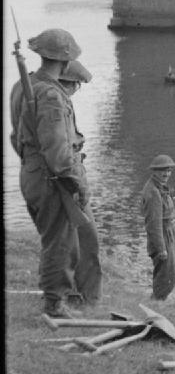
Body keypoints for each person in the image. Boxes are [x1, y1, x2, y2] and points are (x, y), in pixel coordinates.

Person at [9, 28, 90, 318]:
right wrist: (78, 182)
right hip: (52, 179)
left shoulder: (23, 86)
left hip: (31, 173)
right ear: (65, 61)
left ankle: (54, 297)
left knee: (52, 238)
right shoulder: (52, 96)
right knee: (61, 242)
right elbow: (58, 152)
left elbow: (16, 137)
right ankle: (55, 304)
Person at [57, 59, 103, 307]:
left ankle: (73, 294)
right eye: (77, 85)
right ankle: (88, 298)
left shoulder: (54, 101)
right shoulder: (58, 105)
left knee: (69, 240)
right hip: (68, 178)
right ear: (72, 84)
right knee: (88, 239)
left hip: (63, 175)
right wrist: (79, 185)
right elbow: (61, 152)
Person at [140, 154, 175, 301]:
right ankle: (157, 300)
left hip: (167, 231)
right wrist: (161, 248)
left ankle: (159, 298)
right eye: (162, 170)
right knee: (165, 270)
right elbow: (153, 224)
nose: (166, 174)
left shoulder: (159, 187)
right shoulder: (153, 192)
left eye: (169, 170)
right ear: (154, 171)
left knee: (168, 269)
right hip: (162, 234)